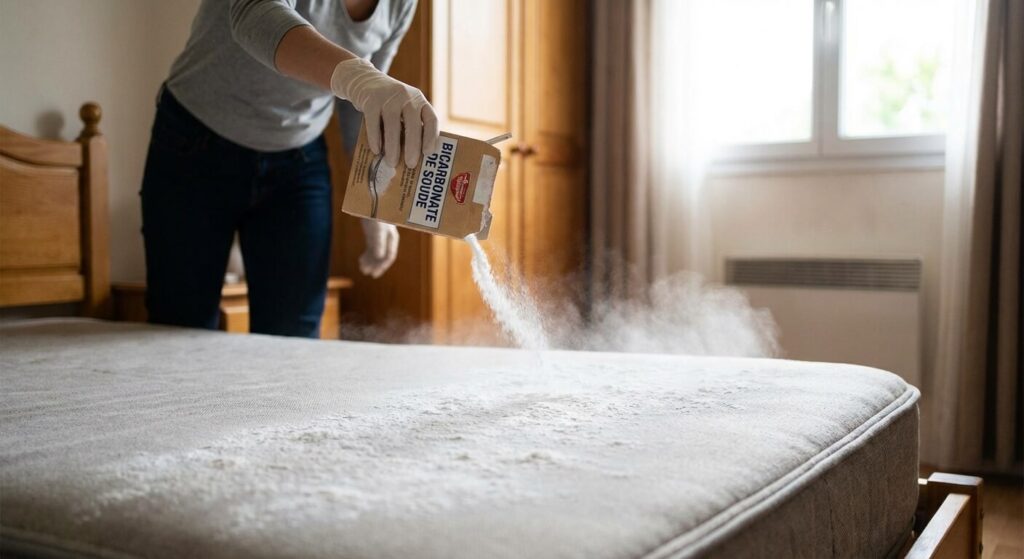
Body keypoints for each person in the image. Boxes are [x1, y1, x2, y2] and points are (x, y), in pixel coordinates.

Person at [140, 0, 436, 338]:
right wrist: (360, 78)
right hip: (195, 143)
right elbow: (254, 13)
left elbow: (366, 103)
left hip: (299, 159)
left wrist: (374, 196)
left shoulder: (402, 4)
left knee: (294, 338)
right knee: (179, 326)